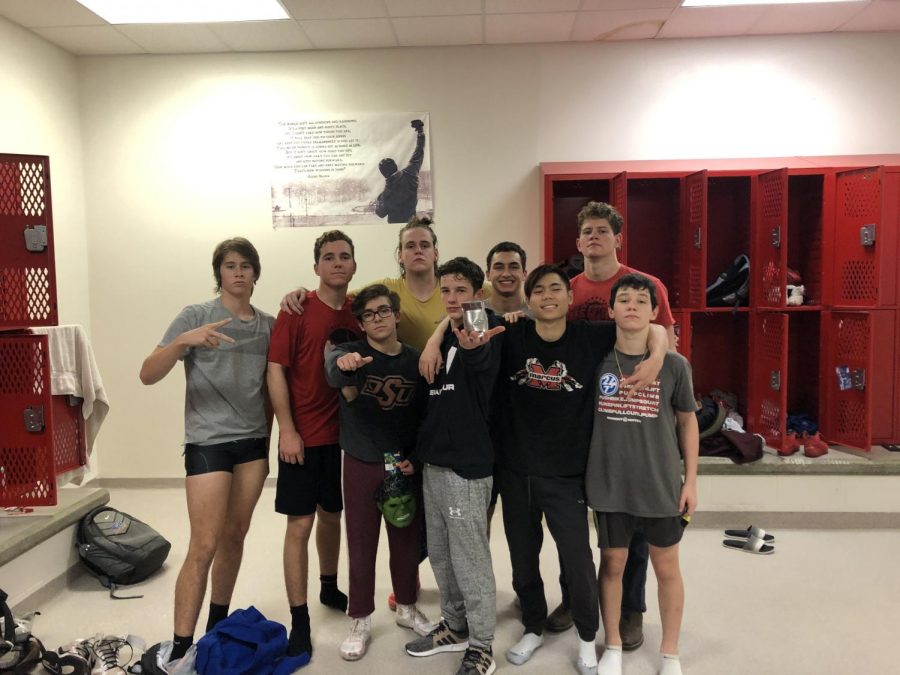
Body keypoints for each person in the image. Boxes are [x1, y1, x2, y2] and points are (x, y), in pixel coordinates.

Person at [494, 264, 667, 674]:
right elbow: (456, 324)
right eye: (539, 290)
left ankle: (588, 637)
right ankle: (533, 626)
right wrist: (433, 342)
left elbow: (649, 327)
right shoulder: (511, 334)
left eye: (556, 289)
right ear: (529, 299)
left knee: (577, 559)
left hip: (567, 473)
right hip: (516, 470)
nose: (548, 296)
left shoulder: (590, 337)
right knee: (522, 557)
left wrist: (658, 356)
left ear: (570, 298)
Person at [139, 237, 273, 661]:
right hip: (208, 441)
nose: (238, 272)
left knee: (235, 536)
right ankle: (180, 645)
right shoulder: (196, 316)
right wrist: (183, 342)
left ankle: (216, 628)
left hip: (253, 442)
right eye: (230, 266)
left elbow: (274, 385)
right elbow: (147, 373)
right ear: (219, 274)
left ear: (255, 273)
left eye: (245, 265)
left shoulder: (268, 324)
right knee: (204, 543)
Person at [557, 201, 678, 649]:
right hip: (586, 416)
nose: (594, 237)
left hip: (632, 413)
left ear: (617, 239)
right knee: (576, 523)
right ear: (577, 241)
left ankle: (631, 609)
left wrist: (657, 357)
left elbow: (667, 338)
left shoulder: (644, 285)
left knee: (635, 522)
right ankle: (576, 598)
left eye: (602, 231)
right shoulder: (568, 289)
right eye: (587, 231)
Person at [587, 273, 698, 675]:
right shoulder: (596, 360)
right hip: (611, 483)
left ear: (654, 312)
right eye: (623, 299)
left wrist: (691, 481)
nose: (631, 305)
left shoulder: (674, 365)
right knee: (613, 563)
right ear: (611, 309)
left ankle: (670, 652)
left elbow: (687, 422)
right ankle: (613, 644)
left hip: (659, 483)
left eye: (640, 300)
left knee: (666, 566)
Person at [403, 257, 505, 675]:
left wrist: (469, 344)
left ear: (477, 294)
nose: (451, 298)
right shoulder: (444, 333)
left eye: (461, 291)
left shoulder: (481, 326)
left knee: (470, 558)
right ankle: (456, 625)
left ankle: (482, 645)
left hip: (467, 464)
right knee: (442, 556)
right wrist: (437, 335)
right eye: (446, 290)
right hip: (435, 462)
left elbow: (480, 351)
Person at [324, 284, 433, 661]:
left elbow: (426, 419)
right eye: (368, 314)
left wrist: (416, 459)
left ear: (397, 315)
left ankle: (406, 606)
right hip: (359, 460)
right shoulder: (353, 354)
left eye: (383, 311)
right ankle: (361, 617)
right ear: (361, 323)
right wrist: (342, 364)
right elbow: (334, 369)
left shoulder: (417, 360)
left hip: (401, 463)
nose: (377, 319)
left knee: (405, 538)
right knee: (361, 541)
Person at [266, 230, 361, 656]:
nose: (337, 263)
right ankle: (299, 619)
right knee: (299, 525)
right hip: (303, 438)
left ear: (354, 265)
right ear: (316, 267)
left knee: (333, 516)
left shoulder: (361, 312)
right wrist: (287, 429)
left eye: (344, 256)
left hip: (346, 438)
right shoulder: (296, 310)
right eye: (328, 257)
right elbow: (275, 370)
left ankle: (328, 587)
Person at [375, 119, 426, 224]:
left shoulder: (387, 193)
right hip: (412, 224)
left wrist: (379, 200)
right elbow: (419, 151)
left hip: (394, 227)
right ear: (395, 166)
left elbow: (380, 213)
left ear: (383, 173)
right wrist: (420, 131)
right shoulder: (410, 173)